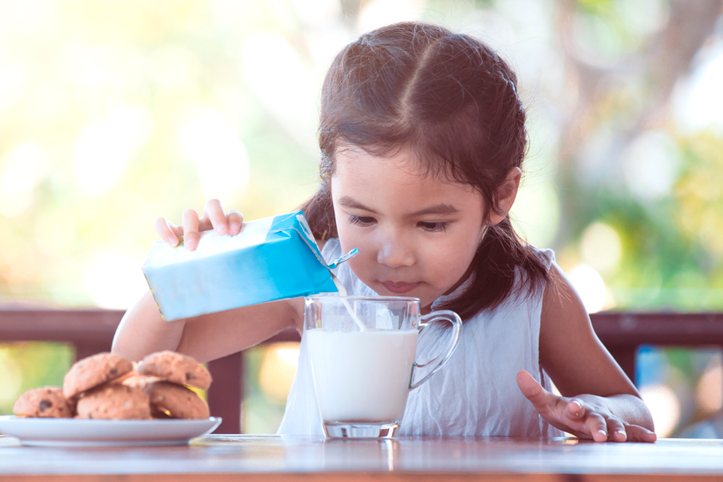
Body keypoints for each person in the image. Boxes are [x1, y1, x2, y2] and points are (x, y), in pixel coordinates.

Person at [112, 21, 656, 442]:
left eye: (432, 224)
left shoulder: (532, 293)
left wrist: (602, 413)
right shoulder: (313, 279)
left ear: (501, 196)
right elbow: (134, 367)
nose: (392, 254)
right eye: (363, 217)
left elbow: (632, 408)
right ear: (331, 185)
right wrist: (181, 279)